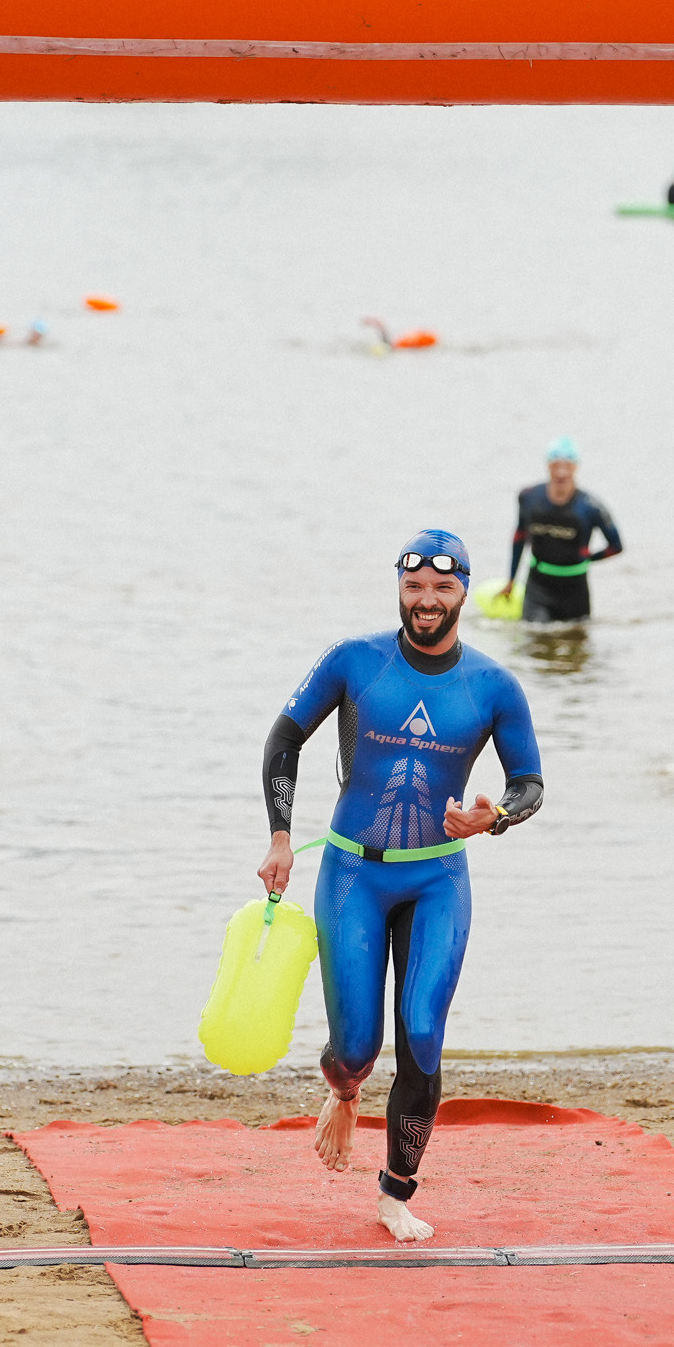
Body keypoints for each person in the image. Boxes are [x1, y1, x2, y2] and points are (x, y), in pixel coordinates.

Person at [256, 532, 544, 1243]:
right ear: (400, 588)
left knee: (421, 1033)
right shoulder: (355, 662)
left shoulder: (494, 687)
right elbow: (283, 739)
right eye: (415, 587)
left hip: (438, 877)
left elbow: (529, 782)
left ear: (465, 593)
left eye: (442, 589)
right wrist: (282, 836)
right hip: (353, 870)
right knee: (354, 1045)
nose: (427, 601)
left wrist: (496, 816)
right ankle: (345, 1092)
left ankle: (396, 1191)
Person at [508, 438, 623, 623]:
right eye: (556, 465)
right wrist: (511, 581)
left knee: (576, 645)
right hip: (538, 586)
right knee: (534, 639)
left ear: (575, 467)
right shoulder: (529, 498)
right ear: (548, 466)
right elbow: (519, 537)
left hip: (575, 590)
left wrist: (589, 558)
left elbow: (616, 546)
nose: (561, 472)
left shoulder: (591, 506)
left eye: (567, 466)